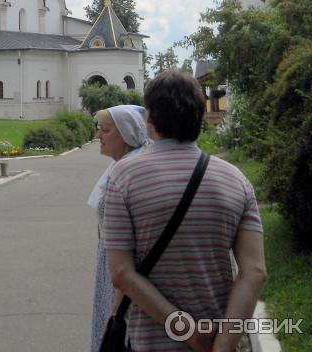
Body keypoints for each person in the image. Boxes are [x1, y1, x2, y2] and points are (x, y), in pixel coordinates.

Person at [103, 70, 266, 352]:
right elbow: (254, 271)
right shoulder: (236, 180)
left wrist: (187, 330)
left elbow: (120, 273)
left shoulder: (123, 177)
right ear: (199, 117)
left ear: (149, 117)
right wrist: (224, 345)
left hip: (149, 343)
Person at [88, 104, 150, 352]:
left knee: (116, 333)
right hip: (111, 263)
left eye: (105, 130)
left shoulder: (128, 172)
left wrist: (116, 309)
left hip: (121, 271)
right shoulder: (120, 165)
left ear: (126, 134)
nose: (98, 137)